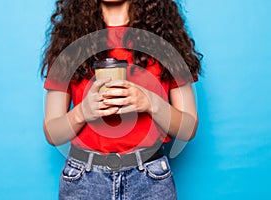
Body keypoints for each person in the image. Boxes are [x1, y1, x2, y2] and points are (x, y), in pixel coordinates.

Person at [41, 0, 202, 199]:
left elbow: (189, 127)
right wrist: (82, 112)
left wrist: (149, 102)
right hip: (83, 182)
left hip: (150, 180)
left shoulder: (166, 39)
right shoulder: (69, 41)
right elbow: (52, 132)